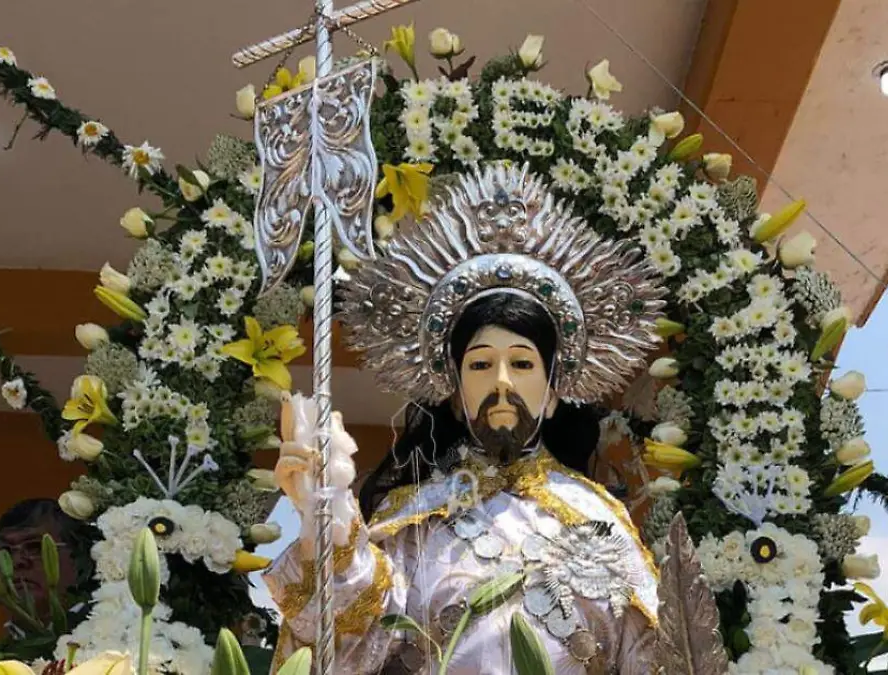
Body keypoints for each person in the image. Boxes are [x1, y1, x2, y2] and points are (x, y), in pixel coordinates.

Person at [263, 164, 669, 674]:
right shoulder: (414, 524)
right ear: (455, 395)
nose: (502, 381)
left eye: (522, 363)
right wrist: (328, 518)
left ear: (552, 395)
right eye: (480, 365)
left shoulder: (599, 520)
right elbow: (349, 645)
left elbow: (651, 660)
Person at [0, 498, 82, 635]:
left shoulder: (118, 641)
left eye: (35, 547)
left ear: (78, 557)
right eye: (5, 550)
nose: (16, 561)